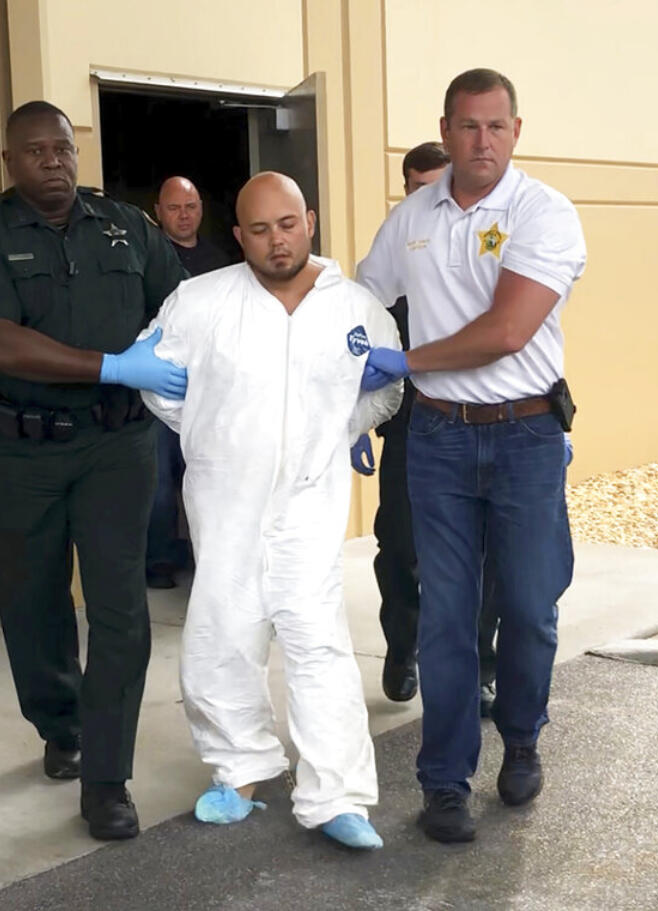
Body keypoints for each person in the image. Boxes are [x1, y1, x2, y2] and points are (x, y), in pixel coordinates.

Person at [0, 100, 188, 840]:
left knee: (121, 608)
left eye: (64, 147)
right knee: (34, 601)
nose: (54, 160)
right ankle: (60, 724)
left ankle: (107, 777)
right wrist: (113, 364)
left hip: (117, 446)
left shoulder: (129, 226)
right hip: (20, 451)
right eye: (37, 150)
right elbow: (1, 345)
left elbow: (184, 310)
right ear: (9, 159)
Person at [139, 172, 402, 850]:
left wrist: (342, 429)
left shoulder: (356, 306)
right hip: (225, 501)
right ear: (239, 235)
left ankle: (336, 795)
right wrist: (215, 439)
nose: (275, 240)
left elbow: (385, 389)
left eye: (286, 224)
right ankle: (240, 768)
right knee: (223, 630)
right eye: (258, 229)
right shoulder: (200, 301)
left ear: (309, 219)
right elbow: (162, 386)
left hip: (310, 503)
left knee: (319, 643)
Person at [357, 68, 587, 843]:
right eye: (466, 125)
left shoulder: (543, 212)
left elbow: (507, 331)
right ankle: (443, 781)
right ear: (446, 129)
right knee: (446, 618)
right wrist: (356, 391)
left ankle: (520, 736)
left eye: (495, 126)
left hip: (524, 436)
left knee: (527, 605)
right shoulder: (412, 215)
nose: (480, 140)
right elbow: (363, 301)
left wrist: (409, 360)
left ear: (516, 131)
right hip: (439, 438)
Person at [350, 141, 503, 716]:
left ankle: (482, 667)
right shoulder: (397, 245)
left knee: (487, 554)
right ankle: (403, 649)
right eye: (412, 188)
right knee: (401, 545)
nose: (424, 198)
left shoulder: (484, 249)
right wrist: (356, 419)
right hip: (412, 422)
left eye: (432, 186)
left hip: (484, 418)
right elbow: (357, 329)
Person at [146, 176, 234, 589]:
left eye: (191, 206)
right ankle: (160, 562)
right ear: (158, 211)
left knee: (209, 478)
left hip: (210, 389)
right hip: (160, 388)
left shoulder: (221, 262)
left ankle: (209, 562)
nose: (184, 215)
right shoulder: (147, 257)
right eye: (175, 207)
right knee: (160, 484)